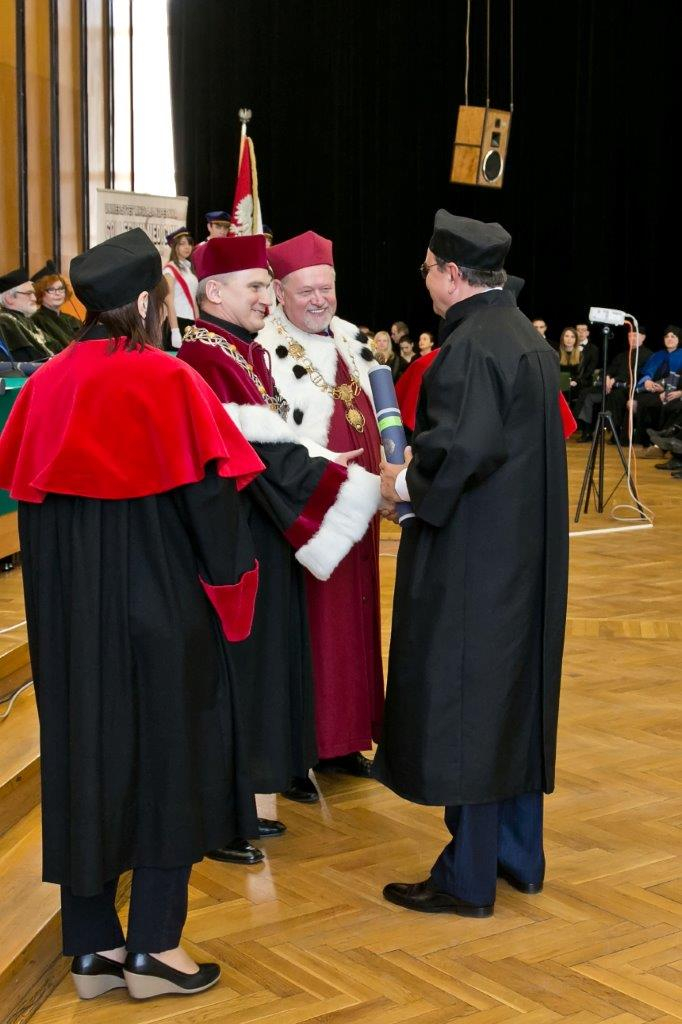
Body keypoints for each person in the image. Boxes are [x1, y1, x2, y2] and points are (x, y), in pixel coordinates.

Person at [0, 228, 265, 999]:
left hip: (69, 623)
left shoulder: (44, 386)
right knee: (168, 764)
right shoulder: (169, 380)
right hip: (162, 612)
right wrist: (233, 594)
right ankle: (153, 946)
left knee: (82, 759)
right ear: (148, 300)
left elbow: (28, 503)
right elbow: (215, 508)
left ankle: (92, 948)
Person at [375, 210, 568, 917]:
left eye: (429, 269)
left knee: (471, 709)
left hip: (474, 565)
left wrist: (400, 484)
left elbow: (457, 455)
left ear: (454, 275)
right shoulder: (525, 338)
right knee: (514, 700)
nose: (425, 280)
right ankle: (518, 855)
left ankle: (468, 877)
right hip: (523, 560)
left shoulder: (470, 347)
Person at [177, 235, 380, 860]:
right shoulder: (208, 356)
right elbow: (261, 455)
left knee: (261, 671)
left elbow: (281, 446)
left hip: (265, 534)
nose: (268, 297)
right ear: (215, 292)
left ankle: (252, 797)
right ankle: (229, 813)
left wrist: (327, 469)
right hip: (237, 539)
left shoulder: (236, 349)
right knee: (237, 674)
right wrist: (347, 485)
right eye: (258, 287)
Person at [258, 231, 384, 778]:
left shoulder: (352, 336)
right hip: (311, 510)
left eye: (326, 288)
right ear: (279, 293)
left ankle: (345, 741)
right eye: (306, 290)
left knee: (356, 621)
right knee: (314, 627)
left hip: (363, 508)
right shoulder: (265, 347)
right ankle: (302, 749)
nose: (319, 300)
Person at [627, 326, 682, 445]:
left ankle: (658, 440)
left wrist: (666, 390)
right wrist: (647, 381)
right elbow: (647, 372)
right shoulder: (657, 355)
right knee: (643, 400)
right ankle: (643, 440)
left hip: (672, 391)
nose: (669, 339)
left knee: (660, 402)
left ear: (679, 339)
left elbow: (678, 380)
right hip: (653, 389)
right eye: (667, 336)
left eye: (673, 336)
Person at [0, 268, 53, 362]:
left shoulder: (25, 319)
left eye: (33, 293)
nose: (34, 298)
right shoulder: (5, 322)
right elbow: (27, 360)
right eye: (29, 293)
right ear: (9, 298)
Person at [31, 268, 82, 352]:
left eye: (61, 288)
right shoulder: (36, 320)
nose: (58, 293)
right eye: (51, 289)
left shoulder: (72, 319)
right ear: (40, 293)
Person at [163, 227, 198, 348]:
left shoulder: (189, 269)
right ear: (174, 246)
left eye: (189, 243)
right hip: (177, 321)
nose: (187, 247)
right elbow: (169, 302)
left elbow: (194, 301)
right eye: (182, 243)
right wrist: (175, 331)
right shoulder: (169, 270)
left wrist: (198, 324)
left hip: (192, 324)